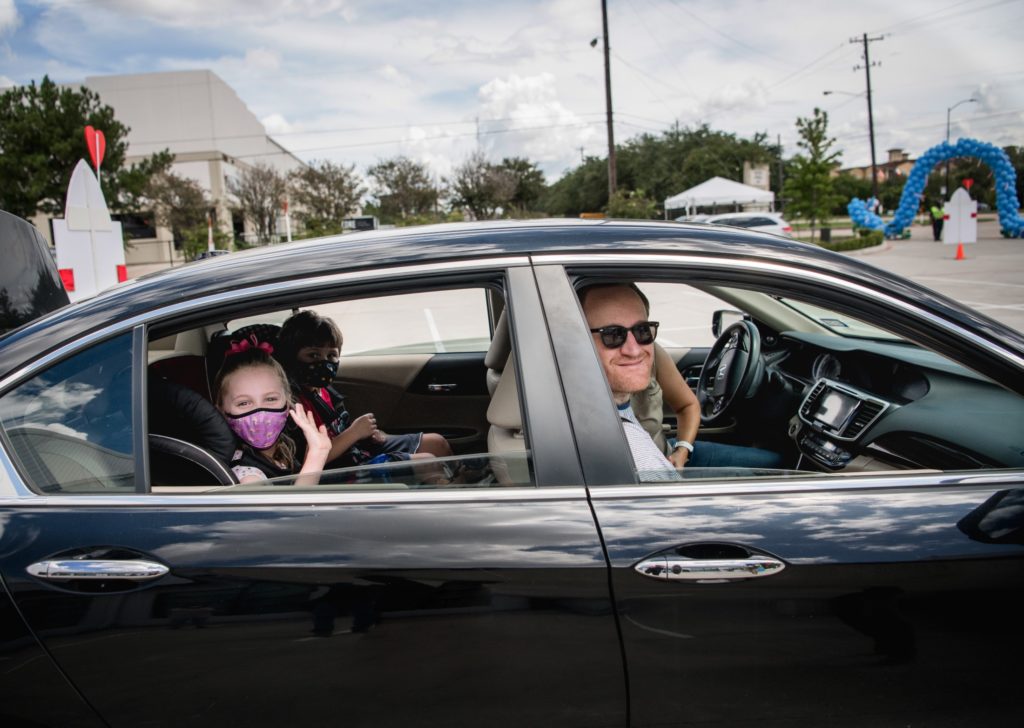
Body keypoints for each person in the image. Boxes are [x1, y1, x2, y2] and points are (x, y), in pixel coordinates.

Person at [580, 284, 782, 481]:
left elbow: (688, 405)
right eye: (613, 335)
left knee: (777, 462)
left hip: (667, 454)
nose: (634, 350)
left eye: (643, 330)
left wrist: (683, 450)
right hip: (654, 468)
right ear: (579, 339)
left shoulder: (649, 354)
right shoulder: (619, 442)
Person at [274, 310, 453, 468]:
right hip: (339, 470)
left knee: (437, 443)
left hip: (355, 451)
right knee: (427, 462)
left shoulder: (324, 391)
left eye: (331, 355)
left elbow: (339, 431)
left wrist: (368, 434)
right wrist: (354, 433)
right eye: (313, 355)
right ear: (291, 357)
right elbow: (307, 462)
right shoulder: (292, 405)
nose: (324, 363)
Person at [213, 336, 332, 486]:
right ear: (222, 412)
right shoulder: (246, 474)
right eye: (244, 403)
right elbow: (289, 510)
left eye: (270, 399)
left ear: (288, 401)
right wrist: (318, 454)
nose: (260, 414)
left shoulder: (284, 448)